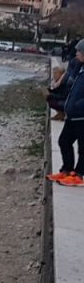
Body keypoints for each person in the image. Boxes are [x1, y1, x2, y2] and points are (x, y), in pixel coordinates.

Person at [50, 41, 84, 185]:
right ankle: (67, 170)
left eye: (79, 51)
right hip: (73, 115)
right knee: (64, 141)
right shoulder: (80, 69)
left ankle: (79, 175)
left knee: (83, 148)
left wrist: (77, 106)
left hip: (81, 115)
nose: (76, 54)